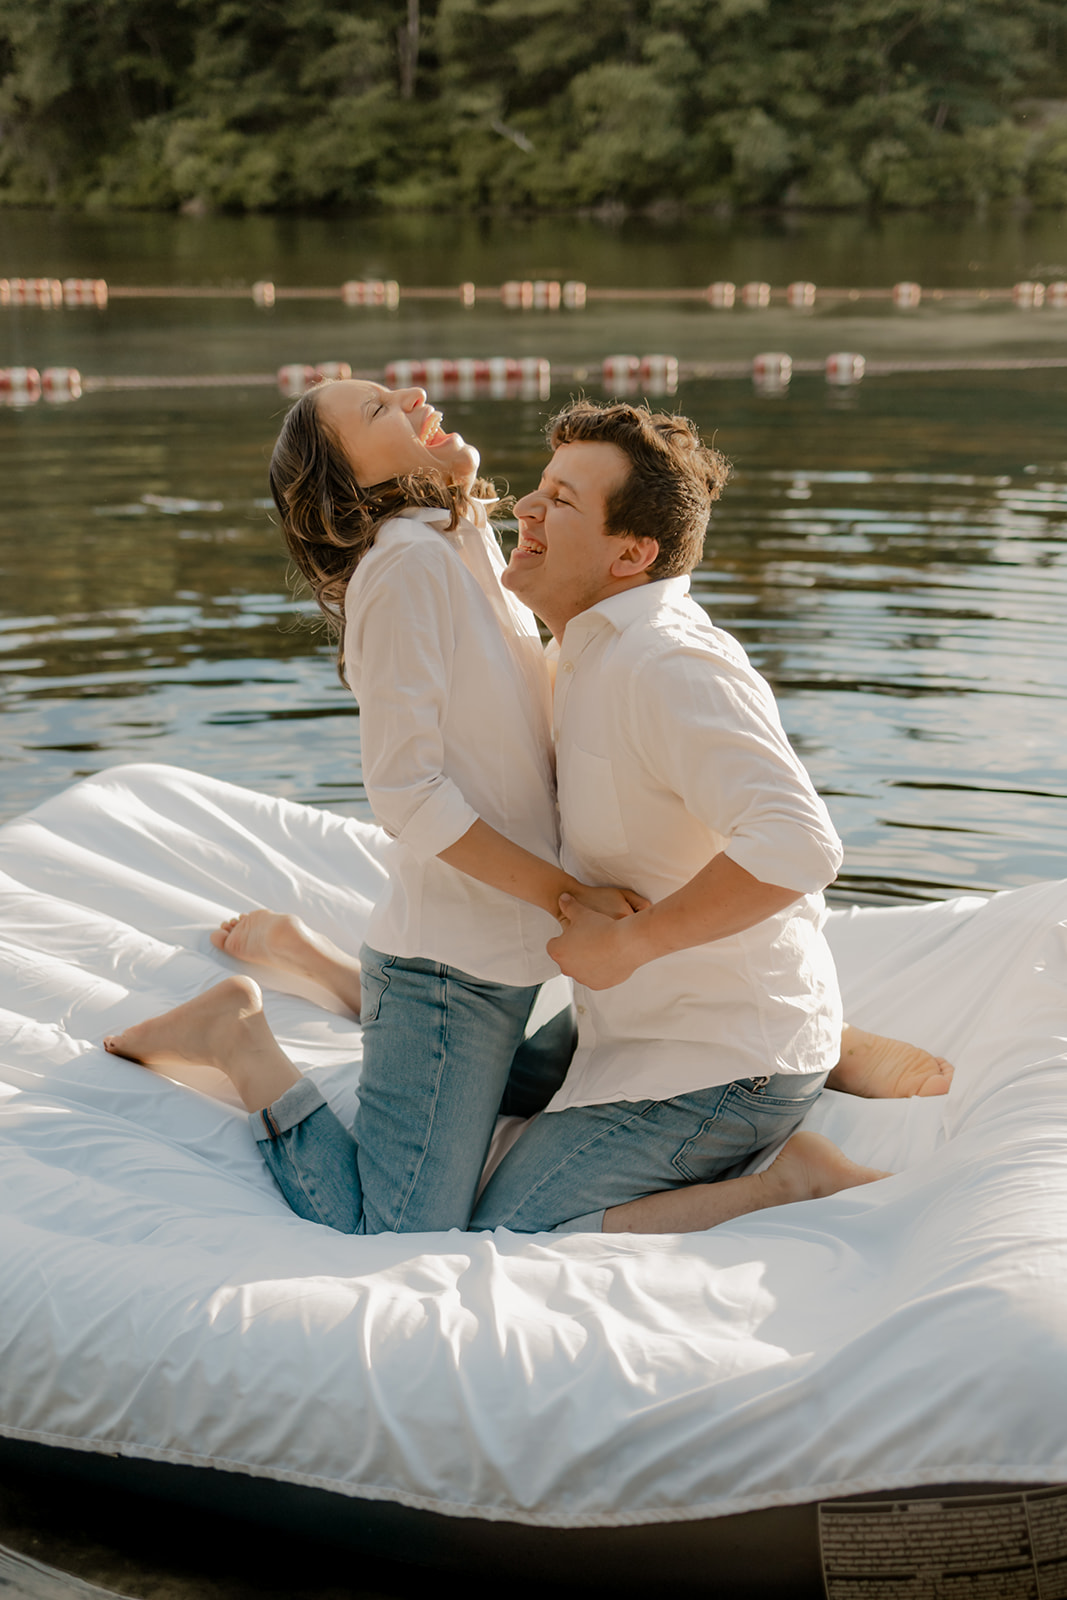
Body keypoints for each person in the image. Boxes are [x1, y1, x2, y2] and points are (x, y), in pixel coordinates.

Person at [104, 383, 949, 1235]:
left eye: (563, 499)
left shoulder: (622, 641)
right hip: (517, 973)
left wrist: (621, 937)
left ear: (629, 555)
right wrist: (564, 901)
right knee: (410, 1218)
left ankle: (809, 1079)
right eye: (376, 410)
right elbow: (413, 784)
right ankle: (260, 1033)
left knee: (493, 1190)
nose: (533, 505)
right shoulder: (505, 602)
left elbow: (796, 846)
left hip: (592, 995)